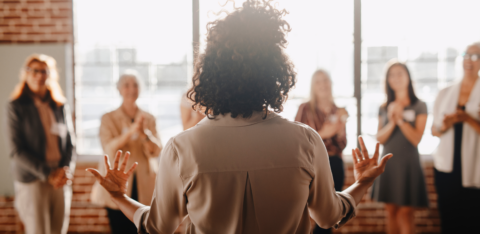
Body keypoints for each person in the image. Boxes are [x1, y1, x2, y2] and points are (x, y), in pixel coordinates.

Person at [87, 1, 393, 233]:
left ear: (209, 74)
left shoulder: (182, 148)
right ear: (276, 74)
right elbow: (328, 216)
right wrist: (362, 183)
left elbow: (159, 226)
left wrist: (118, 196)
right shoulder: (306, 140)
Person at [7, 54, 76, 234]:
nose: (39, 75)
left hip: (60, 178)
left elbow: (70, 143)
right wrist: (48, 174)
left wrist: (64, 170)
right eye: (34, 71)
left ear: (50, 75)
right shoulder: (16, 106)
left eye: (44, 71)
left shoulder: (60, 105)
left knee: (58, 230)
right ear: (26, 74)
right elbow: (16, 150)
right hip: (33, 178)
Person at [90, 71, 162, 234]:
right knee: (120, 228)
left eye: (135, 85)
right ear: (119, 89)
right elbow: (108, 148)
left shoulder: (149, 118)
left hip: (145, 182)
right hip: (117, 179)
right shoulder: (108, 118)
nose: (131, 89)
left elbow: (157, 151)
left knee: (144, 228)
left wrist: (145, 135)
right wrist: (130, 132)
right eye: (126, 85)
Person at [372, 61, 429, 234]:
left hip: (408, 164)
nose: (396, 78)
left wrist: (400, 120)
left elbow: (416, 139)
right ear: (387, 80)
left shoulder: (419, 105)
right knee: (391, 211)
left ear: (408, 78)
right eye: (391, 74)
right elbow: (380, 138)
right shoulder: (383, 107)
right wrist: (391, 120)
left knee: (406, 212)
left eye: (400, 73)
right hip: (388, 164)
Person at [431, 42, 480, 233]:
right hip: (447, 170)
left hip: (474, 170)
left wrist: (467, 118)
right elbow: (434, 131)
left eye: (476, 56)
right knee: (449, 220)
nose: (470, 60)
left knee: (473, 221)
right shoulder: (445, 93)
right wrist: (445, 125)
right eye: (466, 55)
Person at [295, 69, 348, 234]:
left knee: (329, 217)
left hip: (334, 164)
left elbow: (342, 143)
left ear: (330, 83)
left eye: (325, 80)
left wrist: (338, 130)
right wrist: (324, 133)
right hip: (310, 164)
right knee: (302, 213)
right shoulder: (305, 108)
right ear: (313, 86)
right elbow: (297, 139)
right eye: (318, 81)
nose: (323, 84)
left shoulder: (338, 111)